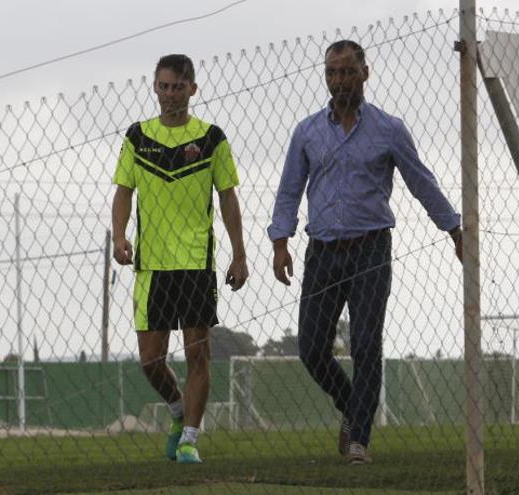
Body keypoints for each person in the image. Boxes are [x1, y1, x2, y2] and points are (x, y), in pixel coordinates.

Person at [267, 40, 462, 465]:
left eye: (347, 72)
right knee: (311, 347)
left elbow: (420, 181)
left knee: (366, 343)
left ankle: (359, 440)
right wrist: (280, 242)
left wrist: (453, 228)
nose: (339, 81)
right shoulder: (307, 131)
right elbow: (289, 190)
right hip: (322, 251)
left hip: (371, 247)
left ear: (365, 73)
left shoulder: (388, 129)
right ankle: (352, 404)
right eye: (332, 73)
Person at [111, 54, 249, 464]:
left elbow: (228, 197)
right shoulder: (138, 137)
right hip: (151, 266)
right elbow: (123, 191)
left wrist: (239, 254)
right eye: (164, 86)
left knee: (197, 355)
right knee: (150, 361)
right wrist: (120, 236)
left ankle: (190, 437)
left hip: (195, 263)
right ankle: (176, 410)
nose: (171, 94)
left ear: (193, 89)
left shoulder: (211, 138)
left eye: (179, 86)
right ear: (155, 88)